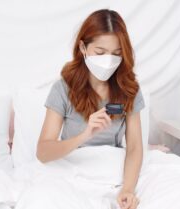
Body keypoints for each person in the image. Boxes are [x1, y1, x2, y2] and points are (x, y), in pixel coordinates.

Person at [36, 9, 144, 209]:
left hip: (110, 169)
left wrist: (127, 189)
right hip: (71, 168)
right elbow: (43, 152)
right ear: (83, 48)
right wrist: (84, 135)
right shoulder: (63, 89)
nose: (108, 60)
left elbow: (135, 146)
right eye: (100, 52)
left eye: (116, 54)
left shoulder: (129, 89)